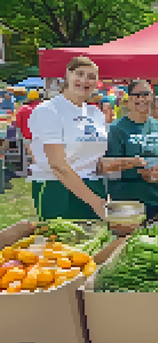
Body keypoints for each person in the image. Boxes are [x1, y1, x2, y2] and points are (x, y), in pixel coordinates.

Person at [28, 56, 140, 220]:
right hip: (57, 187)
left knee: (95, 242)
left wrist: (131, 162)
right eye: (79, 74)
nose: (84, 80)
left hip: (93, 185)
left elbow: (94, 160)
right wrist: (95, 202)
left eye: (91, 77)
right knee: (64, 243)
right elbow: (57, 165)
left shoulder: (96, 114)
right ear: (67, 76)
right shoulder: (49, 110)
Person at [105, 79, 158, 220]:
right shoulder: (117, 129)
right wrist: (139, 171)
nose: (142, 99)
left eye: (146, 94)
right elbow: (109, 168)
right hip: (130, 205)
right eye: (137, 95)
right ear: (129, 99)